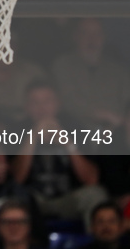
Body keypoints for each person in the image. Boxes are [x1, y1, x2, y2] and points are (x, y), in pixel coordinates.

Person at [11, 80, 107, 228]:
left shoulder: (75, 127)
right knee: (13, 196)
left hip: (68, 199)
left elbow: (91, 179)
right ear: (26, 107)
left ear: (58, 104)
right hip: (33, 200)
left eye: (47, 101)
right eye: (35, 102)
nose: (41, 108)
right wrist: (33, 137)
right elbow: (16, 179)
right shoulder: (17, 130)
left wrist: (66, 142)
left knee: (95, 194)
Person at [52, 18, 130, 128]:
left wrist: (119, 124)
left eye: (97, 34)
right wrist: (104, 115)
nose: (91, 39)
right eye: (85, 33)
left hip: (115, 132)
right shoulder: (63, 65)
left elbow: (127, 103)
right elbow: (67, 101)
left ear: (104, 38)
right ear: (75, 36)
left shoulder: (118, 71)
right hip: (74, 132)